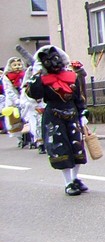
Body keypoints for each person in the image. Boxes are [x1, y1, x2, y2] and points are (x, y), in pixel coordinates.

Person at [25, 45, 90, 195]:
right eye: (48, 61)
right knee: (61, 148)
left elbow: (78, 97)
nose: (53, 63)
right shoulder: (42, 80)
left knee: (76, 147)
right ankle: (68, 183)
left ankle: (75, 179)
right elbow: (34, 94)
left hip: (72, 114)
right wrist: (36, 75)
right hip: (53, 117)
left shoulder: (71, 76)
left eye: (55, 58)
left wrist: (83, 113)